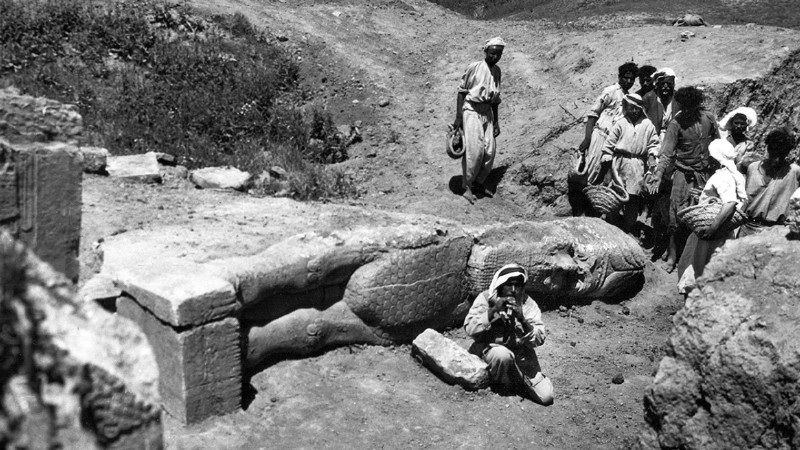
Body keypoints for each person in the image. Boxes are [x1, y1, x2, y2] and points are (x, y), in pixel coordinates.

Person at [650, 86, 719, 272]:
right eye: (685, 107)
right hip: (682, 175)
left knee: (702, 215)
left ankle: (694, 258)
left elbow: (718, 145)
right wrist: (658, 174)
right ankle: (672, 257)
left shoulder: (709, 119)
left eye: (692, 107)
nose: (688, 111)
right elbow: (666, 152)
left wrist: (719, 170)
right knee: (675, 216)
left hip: (705, 175)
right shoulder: (676, 124)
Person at [464, 264, 554, 406]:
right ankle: (497, 381)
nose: (513, 290)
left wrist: (522, 320)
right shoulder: (486, 298)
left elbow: (539, 339)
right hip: (491, 352)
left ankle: (515, 381)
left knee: (546, 396)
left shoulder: (527, 304)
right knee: (502, 355)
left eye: (517, 286)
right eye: (509, 285)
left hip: (520, 358)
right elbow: (470, 329)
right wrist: (493, 310)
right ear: (500, 285)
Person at [677, 139, 747, 295]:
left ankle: (693, 310)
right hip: (720, 233)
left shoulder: (723, 177)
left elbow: (729, 203)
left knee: (697, 270)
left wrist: (711, 228)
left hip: (711, 234)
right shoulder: (729, 175)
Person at [599, 93, 660, 235]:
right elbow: (609, 145)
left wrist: (651, 155)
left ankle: (628, 228)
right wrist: (608, 166)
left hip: (637, 164)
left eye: (636, 108)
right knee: (616, 194)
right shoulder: (621, 123)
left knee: (633, 197)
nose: (633, 111)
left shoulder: (647, 124)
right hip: (620, 162)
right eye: (630, 108)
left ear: (641, 109)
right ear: (626, 107)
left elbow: (654, 144)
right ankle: (612, 224)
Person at [453, 37, 505, 205]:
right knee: (474, 151)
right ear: (486, 52)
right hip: (472, 110)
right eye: (492, 53)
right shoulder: (474, 68)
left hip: (487, 112)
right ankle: (466, 185)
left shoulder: (497, 71)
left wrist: (496, 122)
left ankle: (478, 183)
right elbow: (462, 92)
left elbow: (495, 99)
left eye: (499, 54)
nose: (495, 57)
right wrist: (459, 118)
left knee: (489, 151)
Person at [579, 62, 639, 186]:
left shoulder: (627, 97)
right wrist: (587, 138)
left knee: (602, 173)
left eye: (631, 79)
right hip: (600, 134)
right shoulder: (611, 91)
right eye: (625, 77)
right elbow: (593, 114)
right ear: (619, 77)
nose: (628, 81)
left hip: (611, 141)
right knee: (591, 169)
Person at [739, 128, 800, 237]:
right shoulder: (752, 168)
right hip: (747, 228)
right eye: (773, 154)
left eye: (781, 156)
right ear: (768, 148)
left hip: (776, 232)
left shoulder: (794, 172)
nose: (776, 160)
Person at [717, 106, 758, 173]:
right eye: (736, 123)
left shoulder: (747, 144)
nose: (739, 126)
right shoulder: (723, 138)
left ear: (746, 126)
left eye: (742, 124)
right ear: (731, 123)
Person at [642, 68, 678, 137]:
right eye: (662, 84)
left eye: (668, 84)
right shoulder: (649, 97)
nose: (665, 87)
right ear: (657, 85)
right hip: (654, 136)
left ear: (673, 84)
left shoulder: (678, 98)